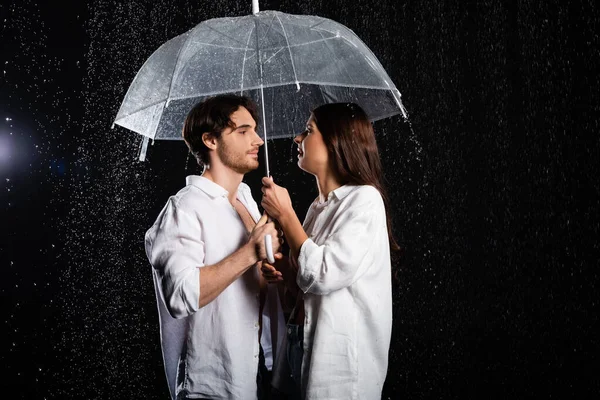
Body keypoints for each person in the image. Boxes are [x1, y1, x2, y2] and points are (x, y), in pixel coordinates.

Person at [145, 94, 286, 400]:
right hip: (207, 387)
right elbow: (180, 295)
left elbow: (249, 285)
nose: (258, 140)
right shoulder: (184, 209)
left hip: (252, 377)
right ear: (210, 140)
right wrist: (250, 252)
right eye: (243, 131)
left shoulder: (248, 199)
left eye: (255, 130)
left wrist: (266, 271)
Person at [260, 102, 398, 399]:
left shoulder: (365, 200)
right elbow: (304, 289)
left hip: (339, 368)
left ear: (337, 140)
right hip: (300, 346)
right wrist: (285, 275)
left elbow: (323, 273)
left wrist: (286, 215)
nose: (298, 139)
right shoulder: (317, 207)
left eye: (308, 131)